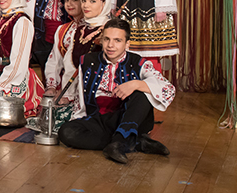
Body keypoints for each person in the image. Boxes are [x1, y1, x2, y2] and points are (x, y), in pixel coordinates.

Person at [57, 18, 175, 164]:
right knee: (66, 132)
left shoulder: (138, 62)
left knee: (143, 93)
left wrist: (136, 84)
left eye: (117, 40)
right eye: (107, 39)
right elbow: (80, 96)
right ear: (101, 40)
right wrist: (79, 121)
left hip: (130, 118)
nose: (110, 45)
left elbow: (168, 89)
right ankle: (133, 142)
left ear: (127, 44)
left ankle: (120, 139)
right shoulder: (87, 61)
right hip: (100, 120)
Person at [44, 0, 110, 106]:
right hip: (72, 88)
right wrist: (58, 89)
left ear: (104, 3)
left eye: (75, 0)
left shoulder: (109, 29)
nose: (86, 5)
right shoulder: (77, 30)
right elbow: (65, 63)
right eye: (84, 1)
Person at [42, 0, 87, 98]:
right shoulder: (63, 29)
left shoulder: (92, 29)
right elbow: (54, 60)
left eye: (75, 0)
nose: (69, 4)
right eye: (66, 0)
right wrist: (51, 86)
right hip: (65, 87)